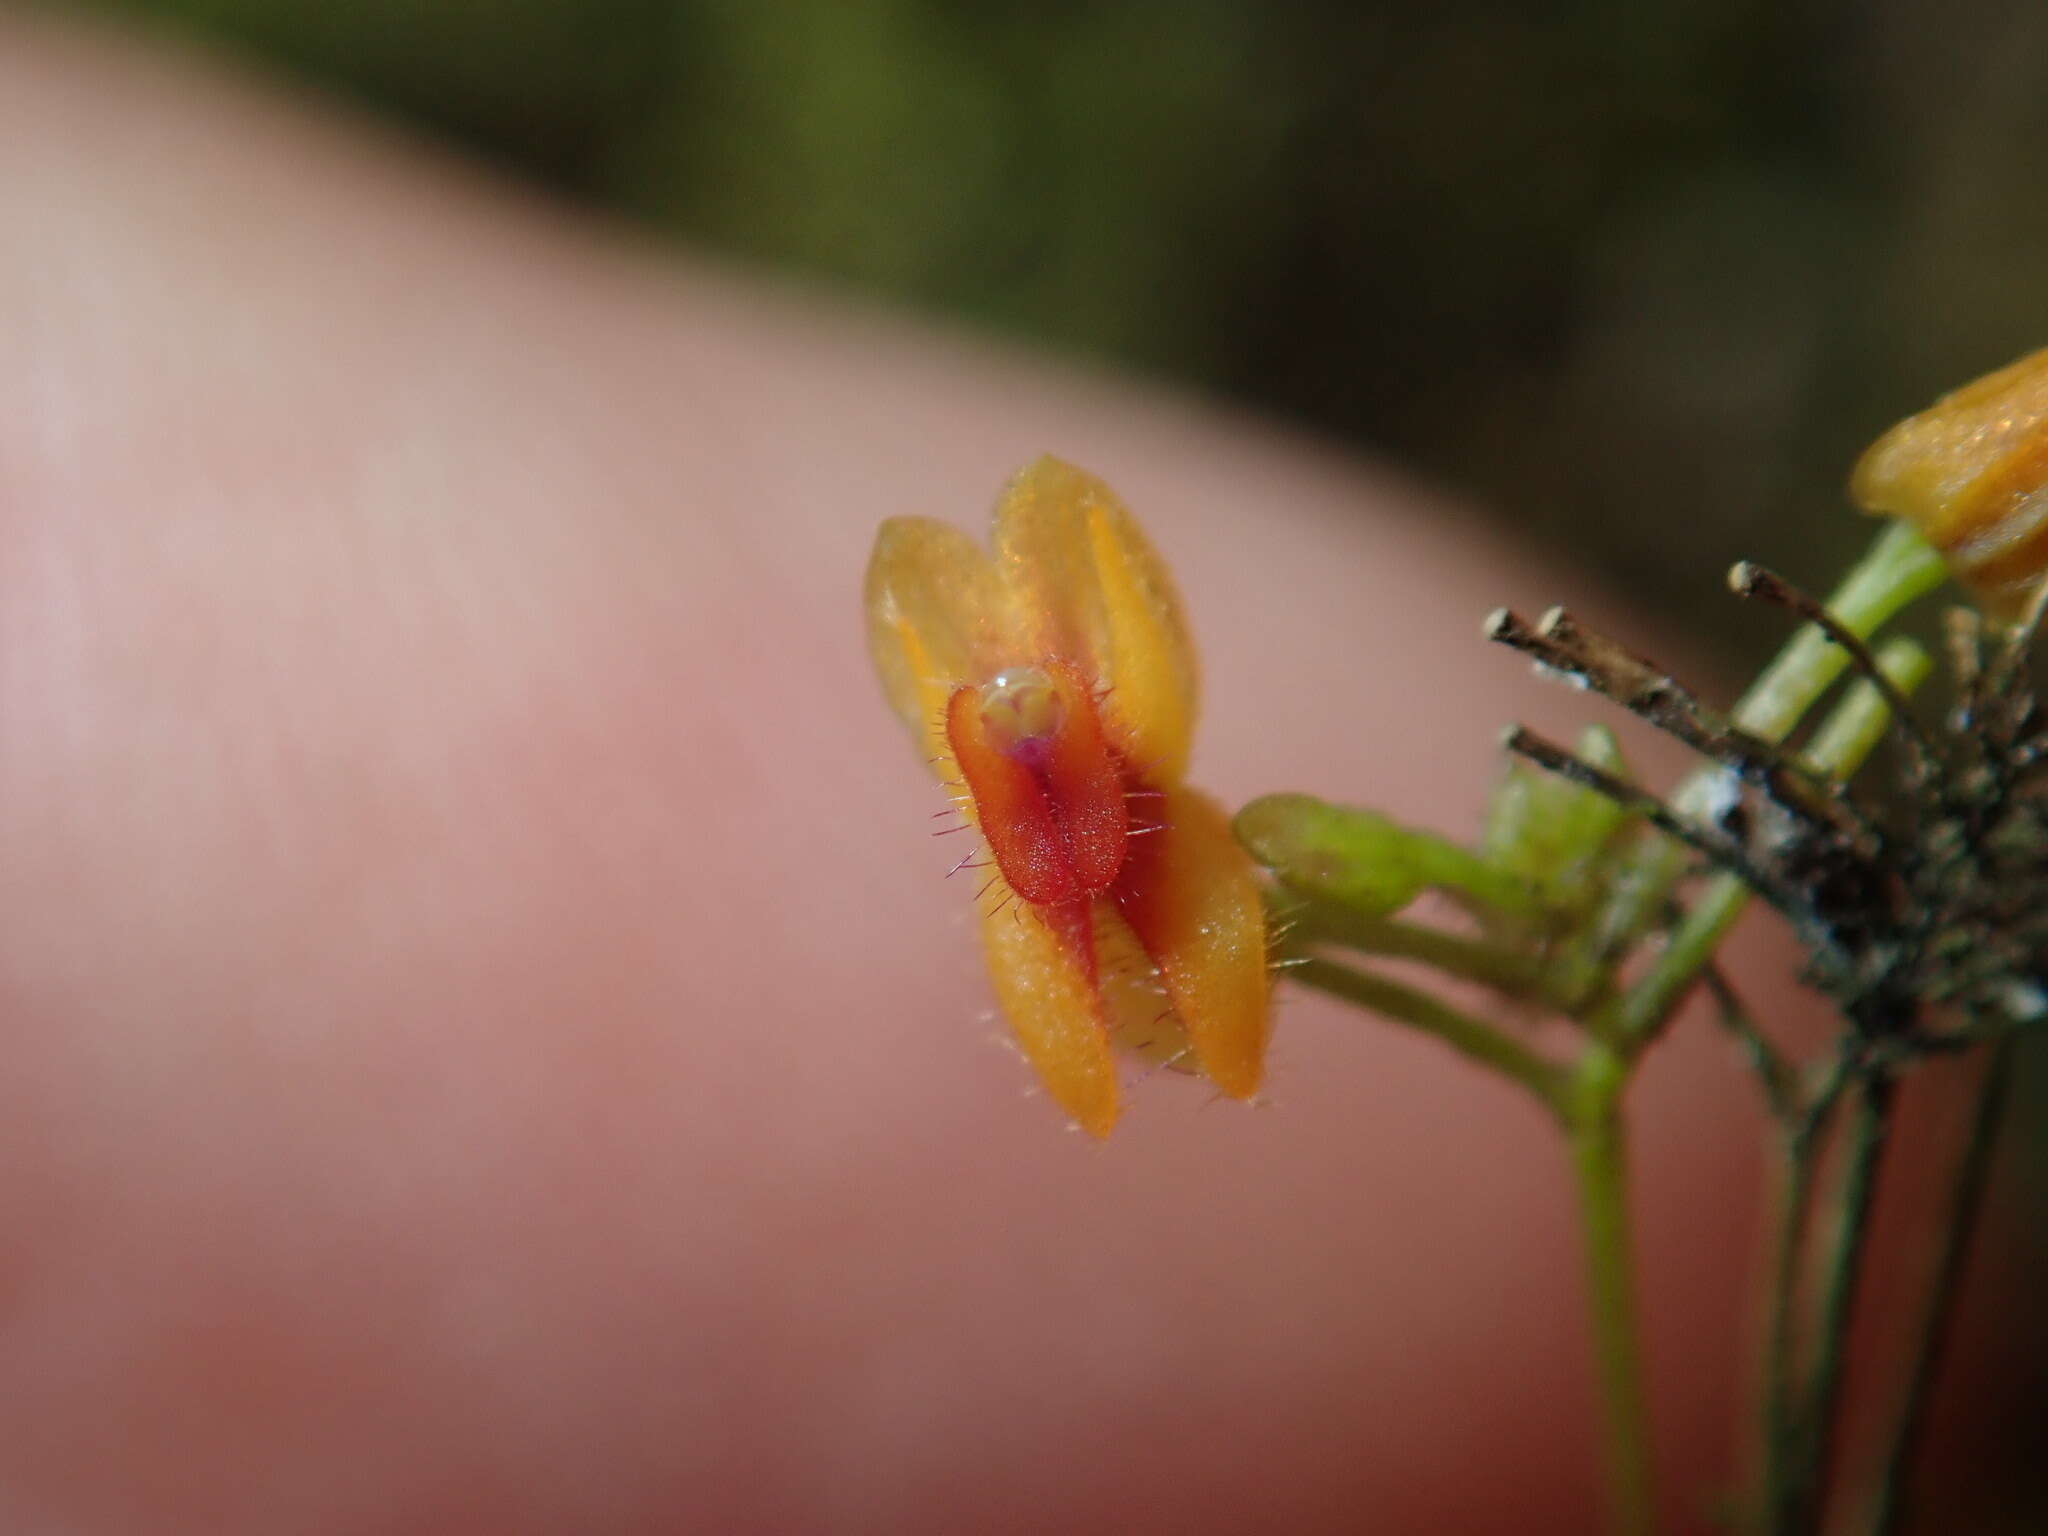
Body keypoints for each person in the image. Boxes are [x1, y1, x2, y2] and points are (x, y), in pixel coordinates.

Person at [0, 12, 1994, 1532]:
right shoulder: (1157, 887)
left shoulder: (1200, 861)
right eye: (994, 737)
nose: (1016, 732)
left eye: (1044, 718)